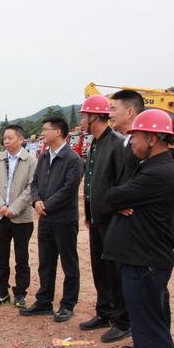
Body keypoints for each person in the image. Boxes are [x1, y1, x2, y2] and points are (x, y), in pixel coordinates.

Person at [103, 109, 174, 348]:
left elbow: (111, 196)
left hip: (144, 262)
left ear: (152, 139)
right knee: (151, 322)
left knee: (148, 329)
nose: (131, 141)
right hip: (146, 260)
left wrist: (119, 201)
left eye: (135, 136)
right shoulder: (155, 168)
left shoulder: (157, 173)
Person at [20, 117, 83, 323]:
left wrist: (46, 205)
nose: (42, 133)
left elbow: (69, 189)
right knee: (46, 262)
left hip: (64, 219)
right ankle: (44, 301)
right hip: (45, 219)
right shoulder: (44, 156)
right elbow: (35, 183)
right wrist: (37, 201)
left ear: (57, 132)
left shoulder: (73, 159)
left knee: (69, 263)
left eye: (45, 129)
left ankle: (68, 305)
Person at [77, 96, 130, 342]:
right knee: (99, 268)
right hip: (97, 218)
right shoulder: (96, 143)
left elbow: (123, 181)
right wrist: (89, 214)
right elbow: (91, 182)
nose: (81, 121)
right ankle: (104, 311)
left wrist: (119, 207)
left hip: (113, 219)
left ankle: (123, 321)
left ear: (94, 117)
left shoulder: (117, 143)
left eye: (84, 116)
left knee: (114, 271)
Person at [0, 125, 37, 308]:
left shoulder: (31, 161)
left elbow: (32, 187)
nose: (6, 141)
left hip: (21, 217)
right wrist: (1, 206)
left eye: (10, 138)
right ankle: (2, 292)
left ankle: (20, 293)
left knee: (22, 258)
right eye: (5, 138)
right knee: (0, 257)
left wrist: (14, 208)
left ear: (21, 139)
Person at [109, 89, 145, 182]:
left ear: (130, 112)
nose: (110, 115)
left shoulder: (142, 146)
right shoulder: (125, 143)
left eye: (113, 109)